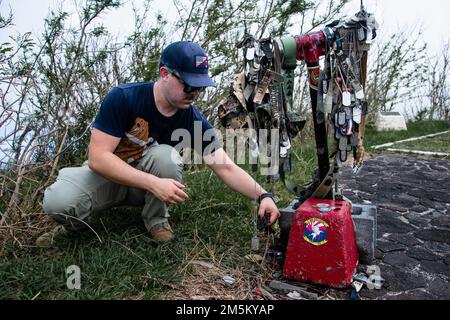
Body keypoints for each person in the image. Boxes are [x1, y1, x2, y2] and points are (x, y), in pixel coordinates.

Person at [37, 41, 280, 246]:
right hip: (109, 178)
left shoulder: (191, 119)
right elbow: (98, 158)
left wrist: (263, 195)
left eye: (200, 88)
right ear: (165, 74)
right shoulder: (124, 98)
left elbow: (225, 167)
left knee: (167, 156)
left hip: (142, 188)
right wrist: (154, 183)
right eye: (188, 84)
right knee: (58, 201)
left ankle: (156, 220)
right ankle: (74, 226)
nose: (194, 93)